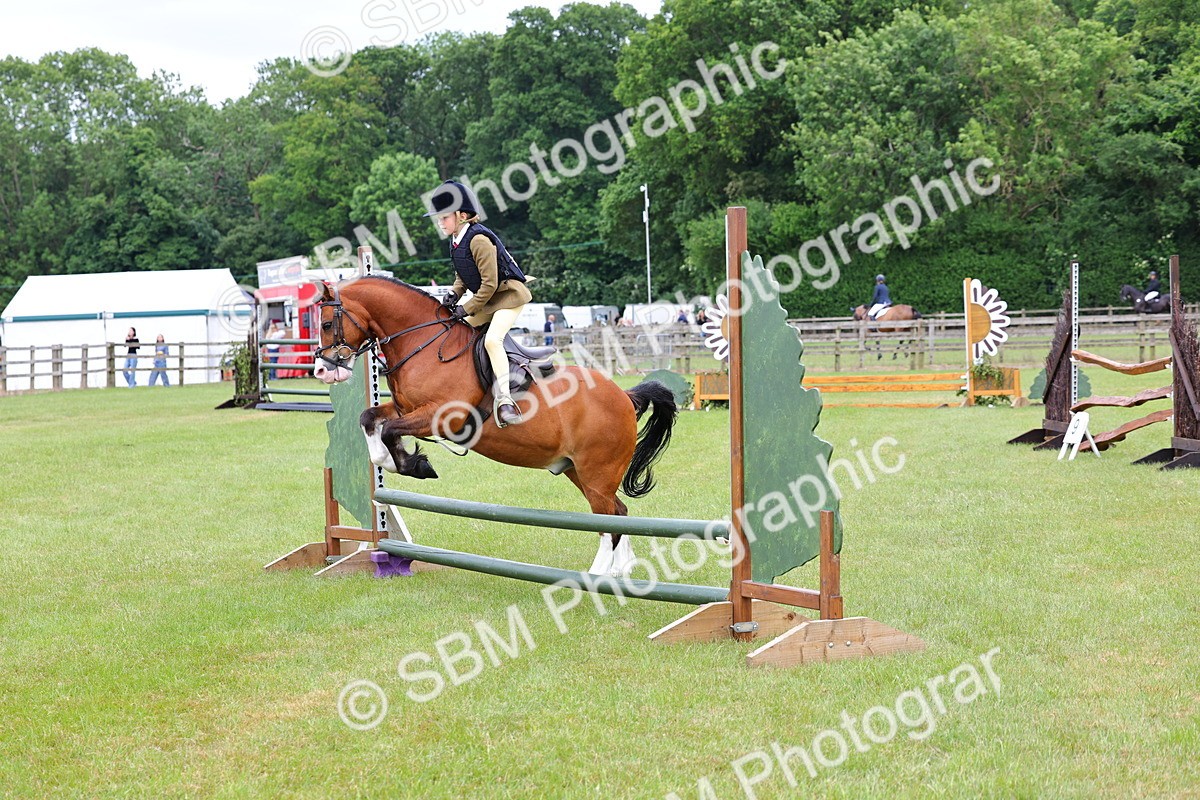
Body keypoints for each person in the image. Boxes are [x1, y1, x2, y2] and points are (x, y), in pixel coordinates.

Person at [426, 179, 532, 428]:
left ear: (462, 215)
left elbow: (489, 285)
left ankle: (506, 400)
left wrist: (466, 308)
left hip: (508, 298)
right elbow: (463, 274)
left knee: (492, 340)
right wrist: (454, 294)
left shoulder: (478, 240)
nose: (440, 221)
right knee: (457, 332)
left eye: (444, 216)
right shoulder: (456, 240)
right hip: (488, 301)